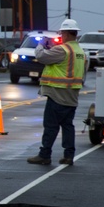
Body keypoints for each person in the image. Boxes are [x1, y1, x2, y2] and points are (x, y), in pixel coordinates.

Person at [27, 18, 89, 166]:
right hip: (72, 96)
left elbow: (41, 56)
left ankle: (44, 155)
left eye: (62, 33)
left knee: (51, 126)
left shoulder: (62, 50)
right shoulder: (81, 52)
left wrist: (41, 44)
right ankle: (69, 156)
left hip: (57, 95)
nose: (61, 36)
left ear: (66, 34)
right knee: (68, 126)